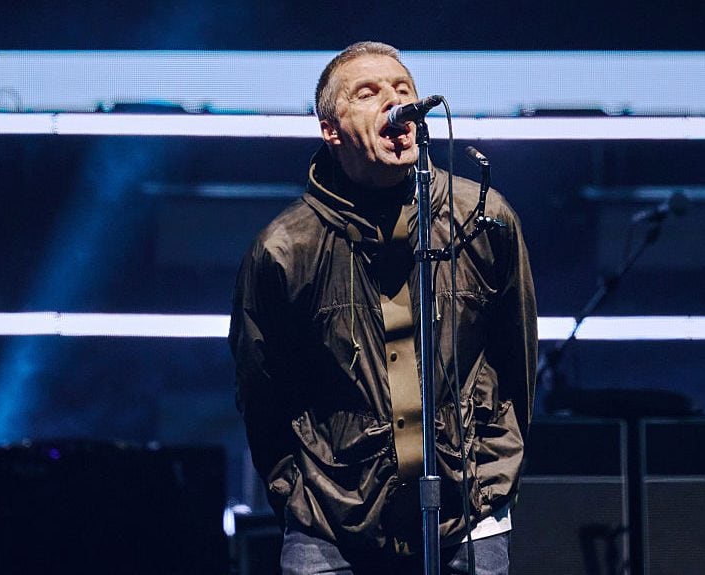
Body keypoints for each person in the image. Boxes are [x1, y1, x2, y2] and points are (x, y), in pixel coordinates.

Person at [230, 41, 537, 575]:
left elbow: (518, 361)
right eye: (368, 94)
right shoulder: (285, 249)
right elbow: (263, 392)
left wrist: (493, 476)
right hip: (331, 523)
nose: (394, 105)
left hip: (468, 514)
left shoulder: (484, 221)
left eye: (403, 91)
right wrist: (298, 496)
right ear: (331, 128)